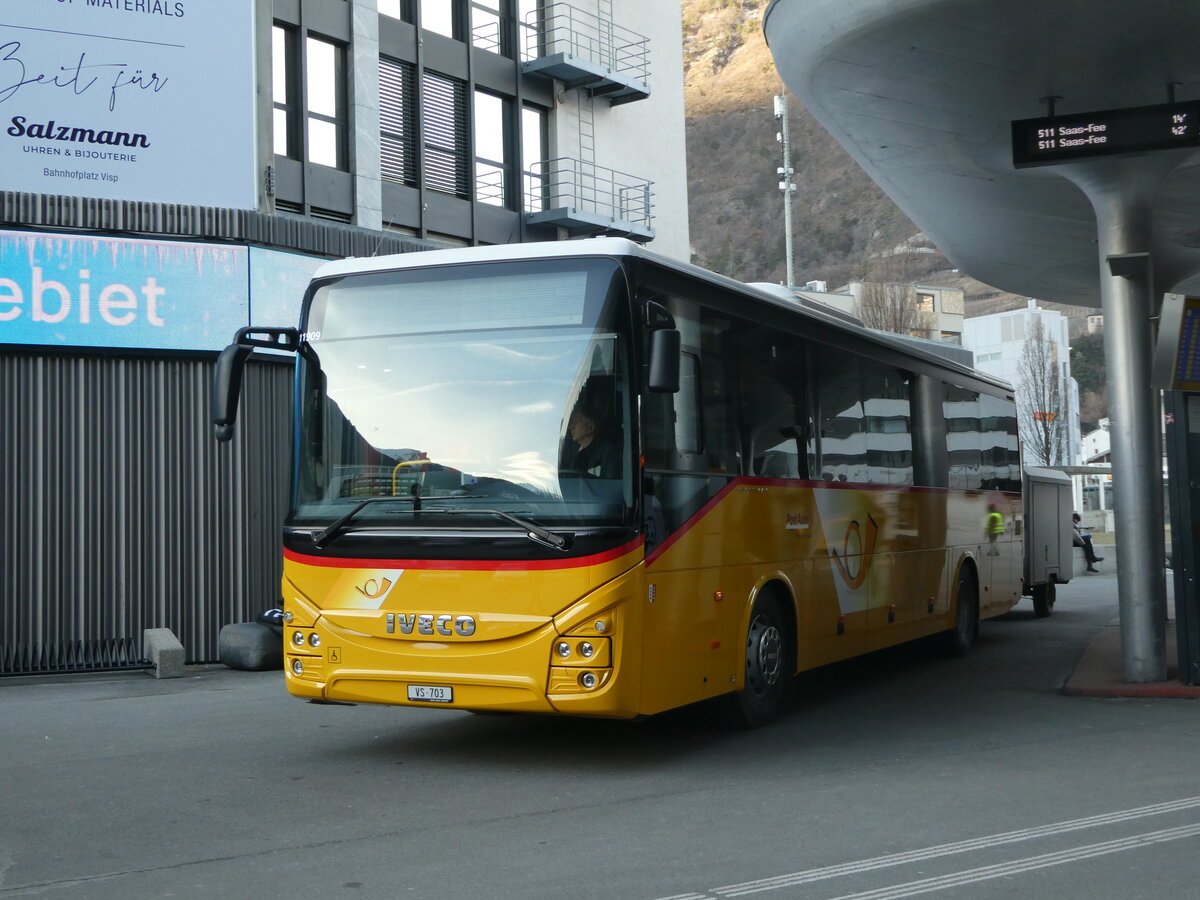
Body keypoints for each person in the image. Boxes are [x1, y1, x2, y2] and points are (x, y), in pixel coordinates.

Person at [565, 402, 620, 478]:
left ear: (590, 427)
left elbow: (610, 486)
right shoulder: (574, 454)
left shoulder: (609, 453)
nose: (570, 427)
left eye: (575, 422)